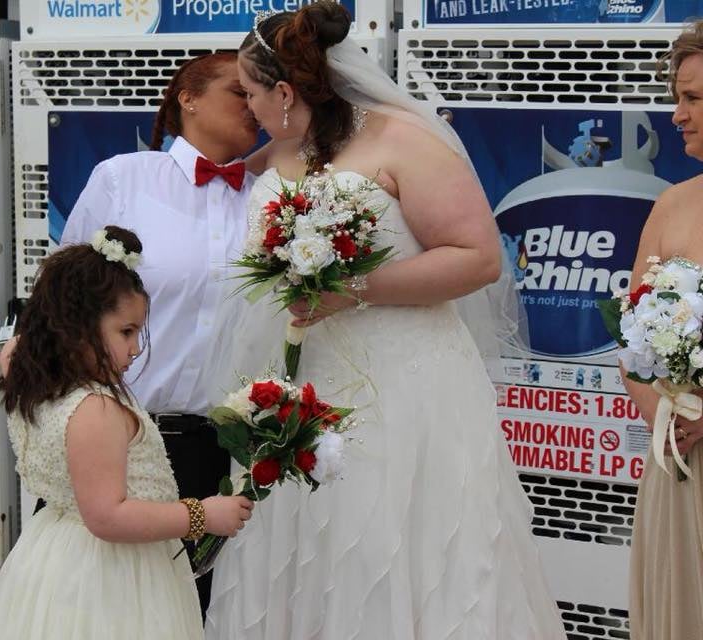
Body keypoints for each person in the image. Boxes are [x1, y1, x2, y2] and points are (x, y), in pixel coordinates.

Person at [202, 3, 567, 638]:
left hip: (405, 387)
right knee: (304, 539)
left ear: (286, 92)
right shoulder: (278, 155)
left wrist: (353, 287)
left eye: (252, 92)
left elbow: (479, 258)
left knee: (392, 538)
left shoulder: (402, 141)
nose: (248, 107)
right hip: (302, 385)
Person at [54, 51, 260, 615]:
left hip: (245, 445)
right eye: (239, 92)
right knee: (131, 608)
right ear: (188, 99)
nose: (255, 105)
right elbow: (65, 299)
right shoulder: (123, 178)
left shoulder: (271, 195)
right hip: (139, 439)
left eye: (260, 93)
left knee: (222, 609)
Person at [0, 226, 253, 640]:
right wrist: (202, 515)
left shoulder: (25, 375)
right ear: (75, 328)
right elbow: (107, 516)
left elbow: (17, 345)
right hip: (108, 573)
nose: (136, 348)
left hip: (52, 554)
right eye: (125, 332)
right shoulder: (96, 410)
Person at [623, 20, 703, 640]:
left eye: (694, 99)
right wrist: (667, 417)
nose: (676, 114)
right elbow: (633, 337)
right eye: (678, 96)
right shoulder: (671, 205)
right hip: (678, 457)